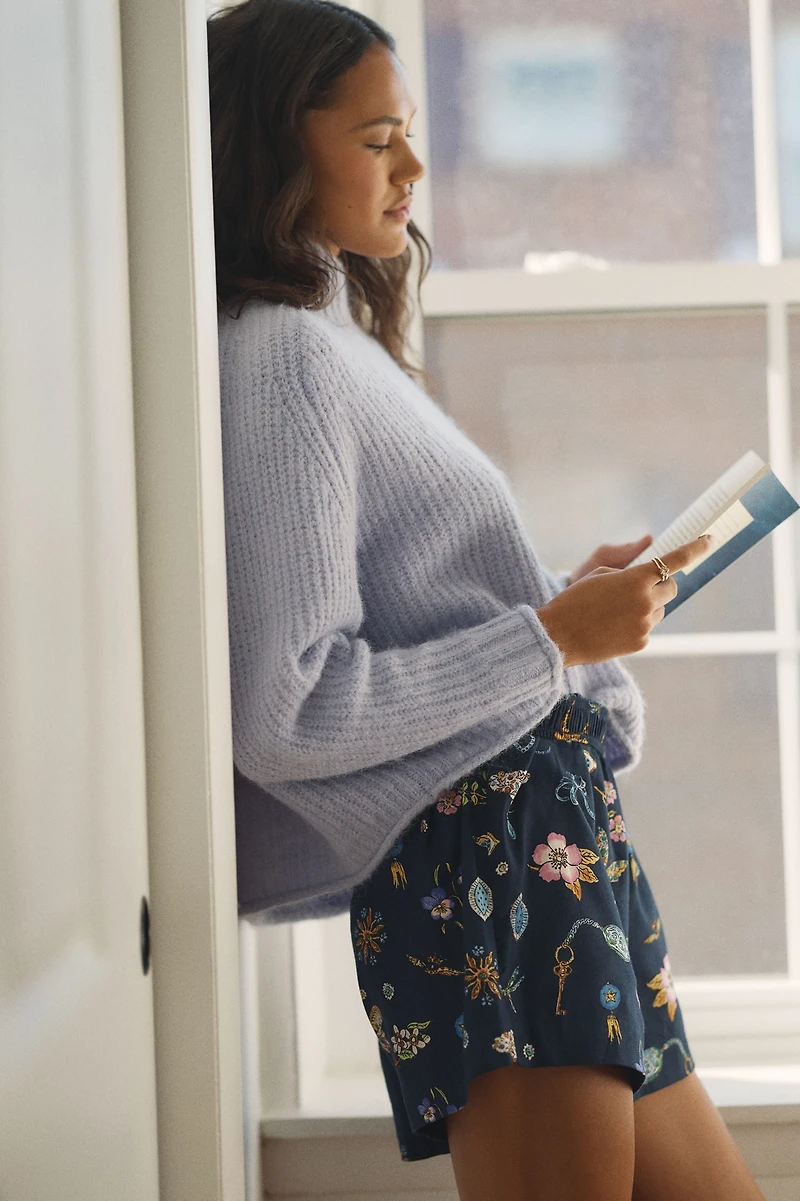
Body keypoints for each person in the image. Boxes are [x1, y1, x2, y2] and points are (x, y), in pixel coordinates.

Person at [207, 2, 766, 1197]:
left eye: (407, 130)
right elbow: (288, 708)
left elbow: (428, 623)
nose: (411, 167)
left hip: (546, 841)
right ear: (271, 147)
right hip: (485, 863)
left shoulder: (333, 333)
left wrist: (560, 609)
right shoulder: (283, 358)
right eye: (375, 140)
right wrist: (551, 634)